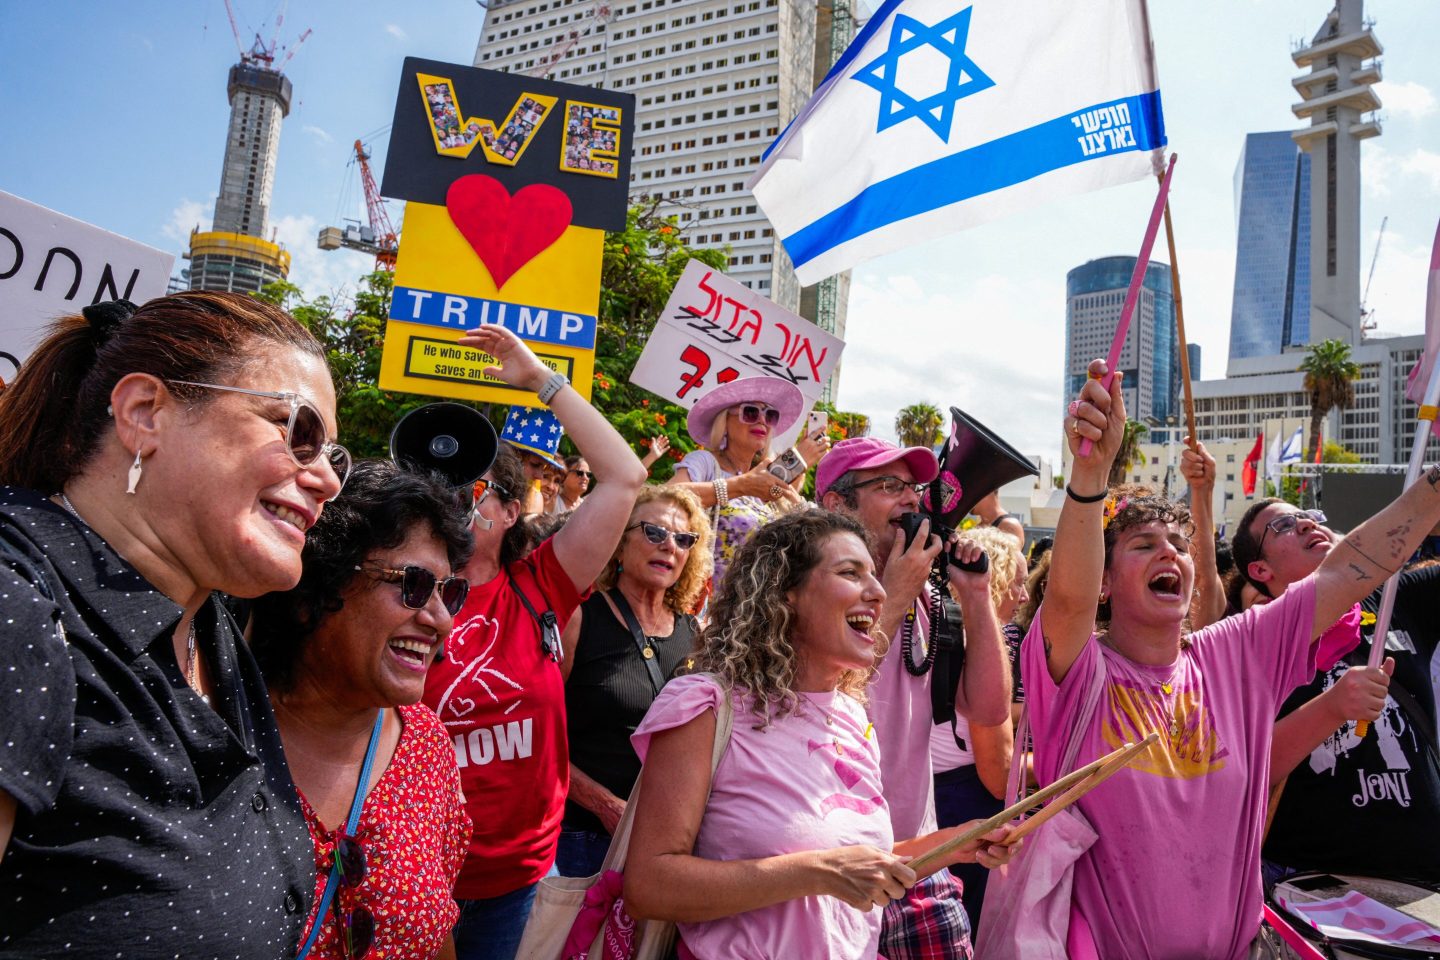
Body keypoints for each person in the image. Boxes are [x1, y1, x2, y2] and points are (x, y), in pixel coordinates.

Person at [1026, 358, 1440, 959]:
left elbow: (1355, 564)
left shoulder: (1238, 652)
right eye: (1143, 546)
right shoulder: (1079, 674)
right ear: (1106, 583)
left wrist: (1435, 484)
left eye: (1178, 545)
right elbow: (1066, 599)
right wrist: (1090, 472)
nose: (1169, 553)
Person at [0, 293, 347, 958]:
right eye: (295, 428)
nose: (328, 479)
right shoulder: (17, 611)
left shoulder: (209, 624)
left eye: (336, 455)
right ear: (143, 413)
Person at [623, 510, 1016, 959]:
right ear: (786, 594)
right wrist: (817, 871)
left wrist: (958, 842)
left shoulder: (853, 716)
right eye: (850, 572)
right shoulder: (706, 707)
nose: (878, 591)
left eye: (874, 574)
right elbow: (649, 885)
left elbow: (859, 860)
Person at [422, 324, 648, 960]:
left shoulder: (542, 584)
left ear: (512, 510)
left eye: (469, 491)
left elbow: (625, 478)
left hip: (517, 881)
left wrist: (541, 381)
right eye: (435, 489)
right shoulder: (391, 590)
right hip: (415, 869)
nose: (450, 506)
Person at [250, 460, 473, 960]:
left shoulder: (425, 744)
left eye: (451, 592)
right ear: (316, 590)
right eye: (413, 584)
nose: (440, 620)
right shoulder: (220, 732)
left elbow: (435, 932)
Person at [816, 437, 1012, 960]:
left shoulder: (927, 595)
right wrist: (894, 591)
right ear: (836, 505)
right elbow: (829, 695)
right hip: (829, 872)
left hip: (920, 864)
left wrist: (974, 596)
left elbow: (989, 711)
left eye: (912, 487)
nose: (911, 500)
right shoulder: (807, 593)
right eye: (888, 486)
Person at [1231, 499, 1440, 884]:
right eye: (1285, 525)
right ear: (1260, 570)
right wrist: (1332, 707)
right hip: (1313, 893)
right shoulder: (1246, 643)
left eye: (1311, 516)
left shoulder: (1397, 598)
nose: (1308, 524)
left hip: (1425, 884)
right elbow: (1238, 767)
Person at [556, 486, 712, 878]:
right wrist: (604, 804)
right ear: (619, 543)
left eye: (683, 539)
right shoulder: (580, 618)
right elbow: (538, 737)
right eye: (654, 533)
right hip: (582, 838)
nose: (669, 546)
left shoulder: (695, 634)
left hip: (666, 844)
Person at [928, 525, 1026, 934]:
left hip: (933, 796)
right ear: (996, 576)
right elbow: (998, 771)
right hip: (967, 801)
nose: (1023, 596)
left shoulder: (939, 629)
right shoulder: (978, 643)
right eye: (1018, 583)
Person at [667, 377, 828, 588]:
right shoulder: (705, 462)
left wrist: (795, 472)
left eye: (770, 415)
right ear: (724, 422)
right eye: (750, 412)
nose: (761, 420)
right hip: (702, 606)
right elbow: (666, 497)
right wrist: (740, 486)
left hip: (751, 611)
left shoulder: (765, 479)